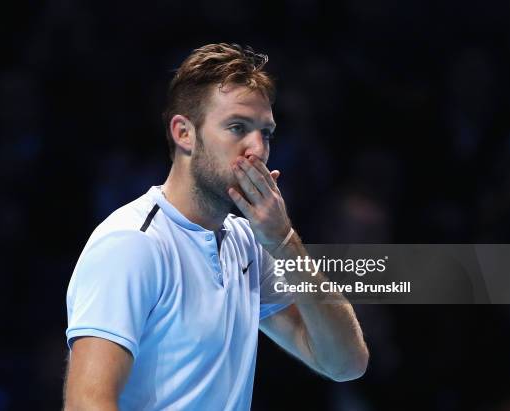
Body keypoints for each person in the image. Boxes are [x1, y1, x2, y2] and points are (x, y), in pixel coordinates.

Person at [64, 43, 368, 411]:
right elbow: (87, 404)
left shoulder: (249, 244)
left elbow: (345, 363)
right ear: (184, 133)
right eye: (237, 127)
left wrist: (285, 242)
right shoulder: (132, 243)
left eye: (266, 133)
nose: (257, 148)